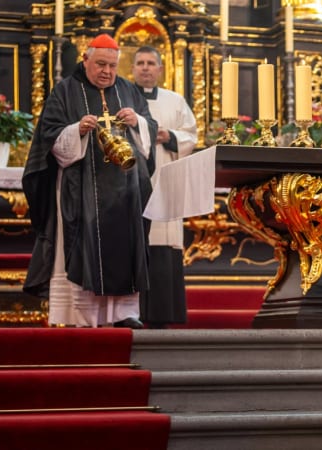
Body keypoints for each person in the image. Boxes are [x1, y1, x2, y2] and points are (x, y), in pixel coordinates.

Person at [22, 34, 158, 329]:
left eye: (112, 65)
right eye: (100, 64)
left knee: (125, 247)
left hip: (126, 192)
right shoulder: (65, 90)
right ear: (85, 60)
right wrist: (76, 130)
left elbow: (150, 128)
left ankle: (122, 313)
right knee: (83, 246)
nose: (107, 71)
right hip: (81, 188)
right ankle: (80, 316)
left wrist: (138, 122)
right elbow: (48, 136)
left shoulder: (128, 90)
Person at [132, 46, 197, 328]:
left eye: (151, 63)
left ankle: (161, 316)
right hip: (132, 181)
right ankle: (127, 314)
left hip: (165, 181)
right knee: (133, 244)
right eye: (140, 63)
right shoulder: (123, 98)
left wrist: (168, 135)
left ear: (160, 69)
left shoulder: (175, 101)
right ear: (132, 68)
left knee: (162, 242)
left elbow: (191, 135)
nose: (146, 68)